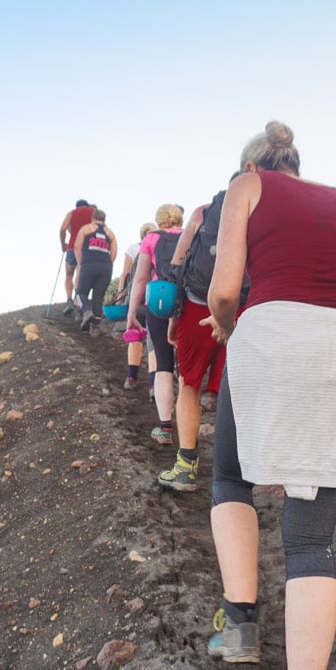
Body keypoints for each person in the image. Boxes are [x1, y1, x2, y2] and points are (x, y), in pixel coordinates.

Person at [201, 122, 336, 670]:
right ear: (300, 164)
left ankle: (240, 627)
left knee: (229, 479)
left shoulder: (245, 186)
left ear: (254, 164)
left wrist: (230, 330)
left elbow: (224, 290)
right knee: (310, 540)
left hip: (271, 335)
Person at [157, 194, 233, 492]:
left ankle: (186, 466)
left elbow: (179, 260)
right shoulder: (266, 209)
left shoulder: (205, 211)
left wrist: (175, 315)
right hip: (244, 307)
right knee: (236, 385)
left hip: (199, 304)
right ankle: (239, 472)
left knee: (189, 383)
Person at [126, 204, 184, 444]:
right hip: (187, 301)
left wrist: (131, 313)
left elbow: (140, 278)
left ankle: (165, 427)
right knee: (185, 366)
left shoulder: (150, 239)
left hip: (158, 302)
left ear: (159, 220)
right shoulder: (190, 234)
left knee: (162, 363)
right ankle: (189, 422)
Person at [118, 223, 158, 389]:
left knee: (135, 338)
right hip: (155, 299)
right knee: (154, 342)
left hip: (137, 299)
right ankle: (153, 385)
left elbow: (126, 274)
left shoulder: (134, 248)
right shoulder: (161, 245)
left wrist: (121, 295)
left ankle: (131, 378)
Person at [72, 209, 118, 335]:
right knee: (98, 297)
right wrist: (107, 264)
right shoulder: (110, 233)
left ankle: (87, 311)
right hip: (106, 267)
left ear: (93, 218)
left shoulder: (86, 228)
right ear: (104, 219)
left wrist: (81, 263)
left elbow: (77, 247)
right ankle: (95, 328)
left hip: (89, 264)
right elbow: (114, 253)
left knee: (80, 293)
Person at [59, 199, 96, 315]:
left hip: (72, 246)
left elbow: (63, 229)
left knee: (69, 274)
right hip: (87, 247)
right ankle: (77, 299)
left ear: (77, 206)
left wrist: (63, 244)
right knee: (81, 272)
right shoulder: (93, 212)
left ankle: (69, 300)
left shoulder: (72, 213)